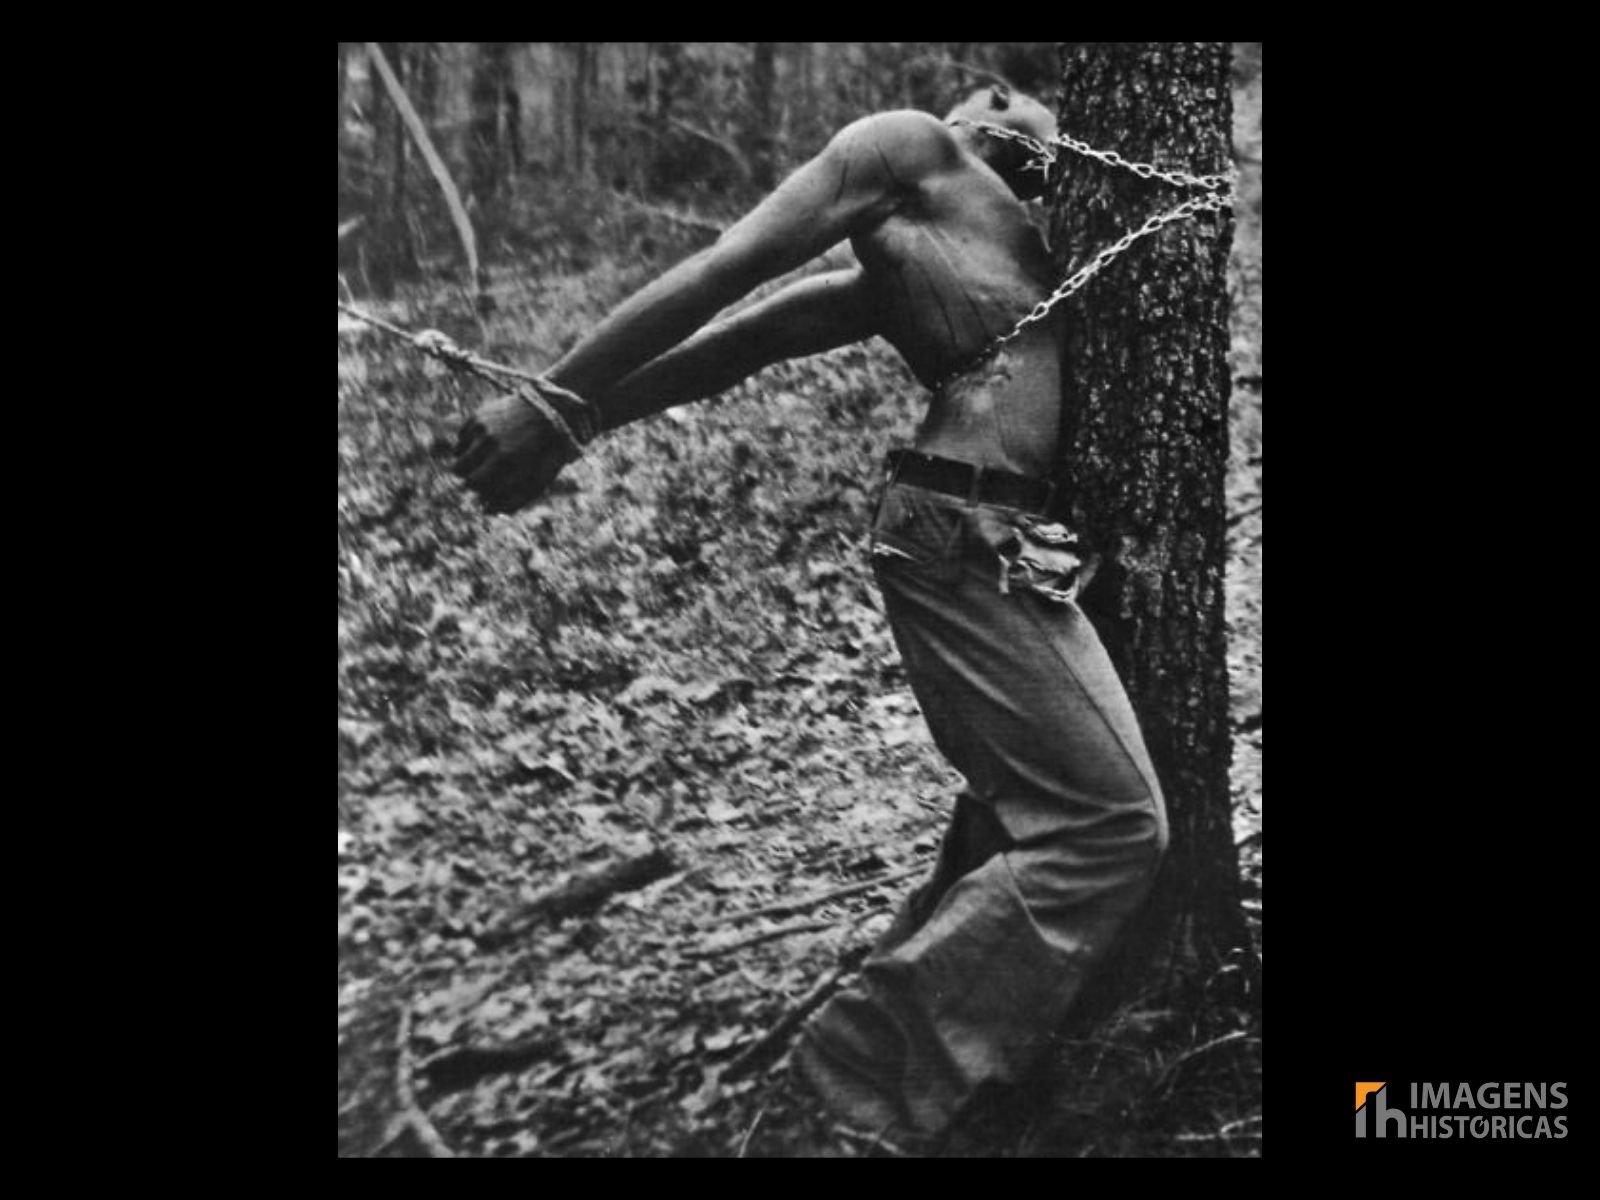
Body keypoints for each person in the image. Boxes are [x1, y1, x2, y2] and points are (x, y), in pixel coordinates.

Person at [451, 84, 1169, 1155]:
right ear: (980, 107)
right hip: (956, 539)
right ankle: (848, 1098)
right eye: (1004, 98)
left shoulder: (999, 238)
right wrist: (554, 406)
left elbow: (747, 341)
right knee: (1109, 826)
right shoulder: (907, 148)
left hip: (992, 540)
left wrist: (582, 419)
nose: (1027, 116)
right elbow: (727, 279)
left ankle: (896, 1082)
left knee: (1020, 813)